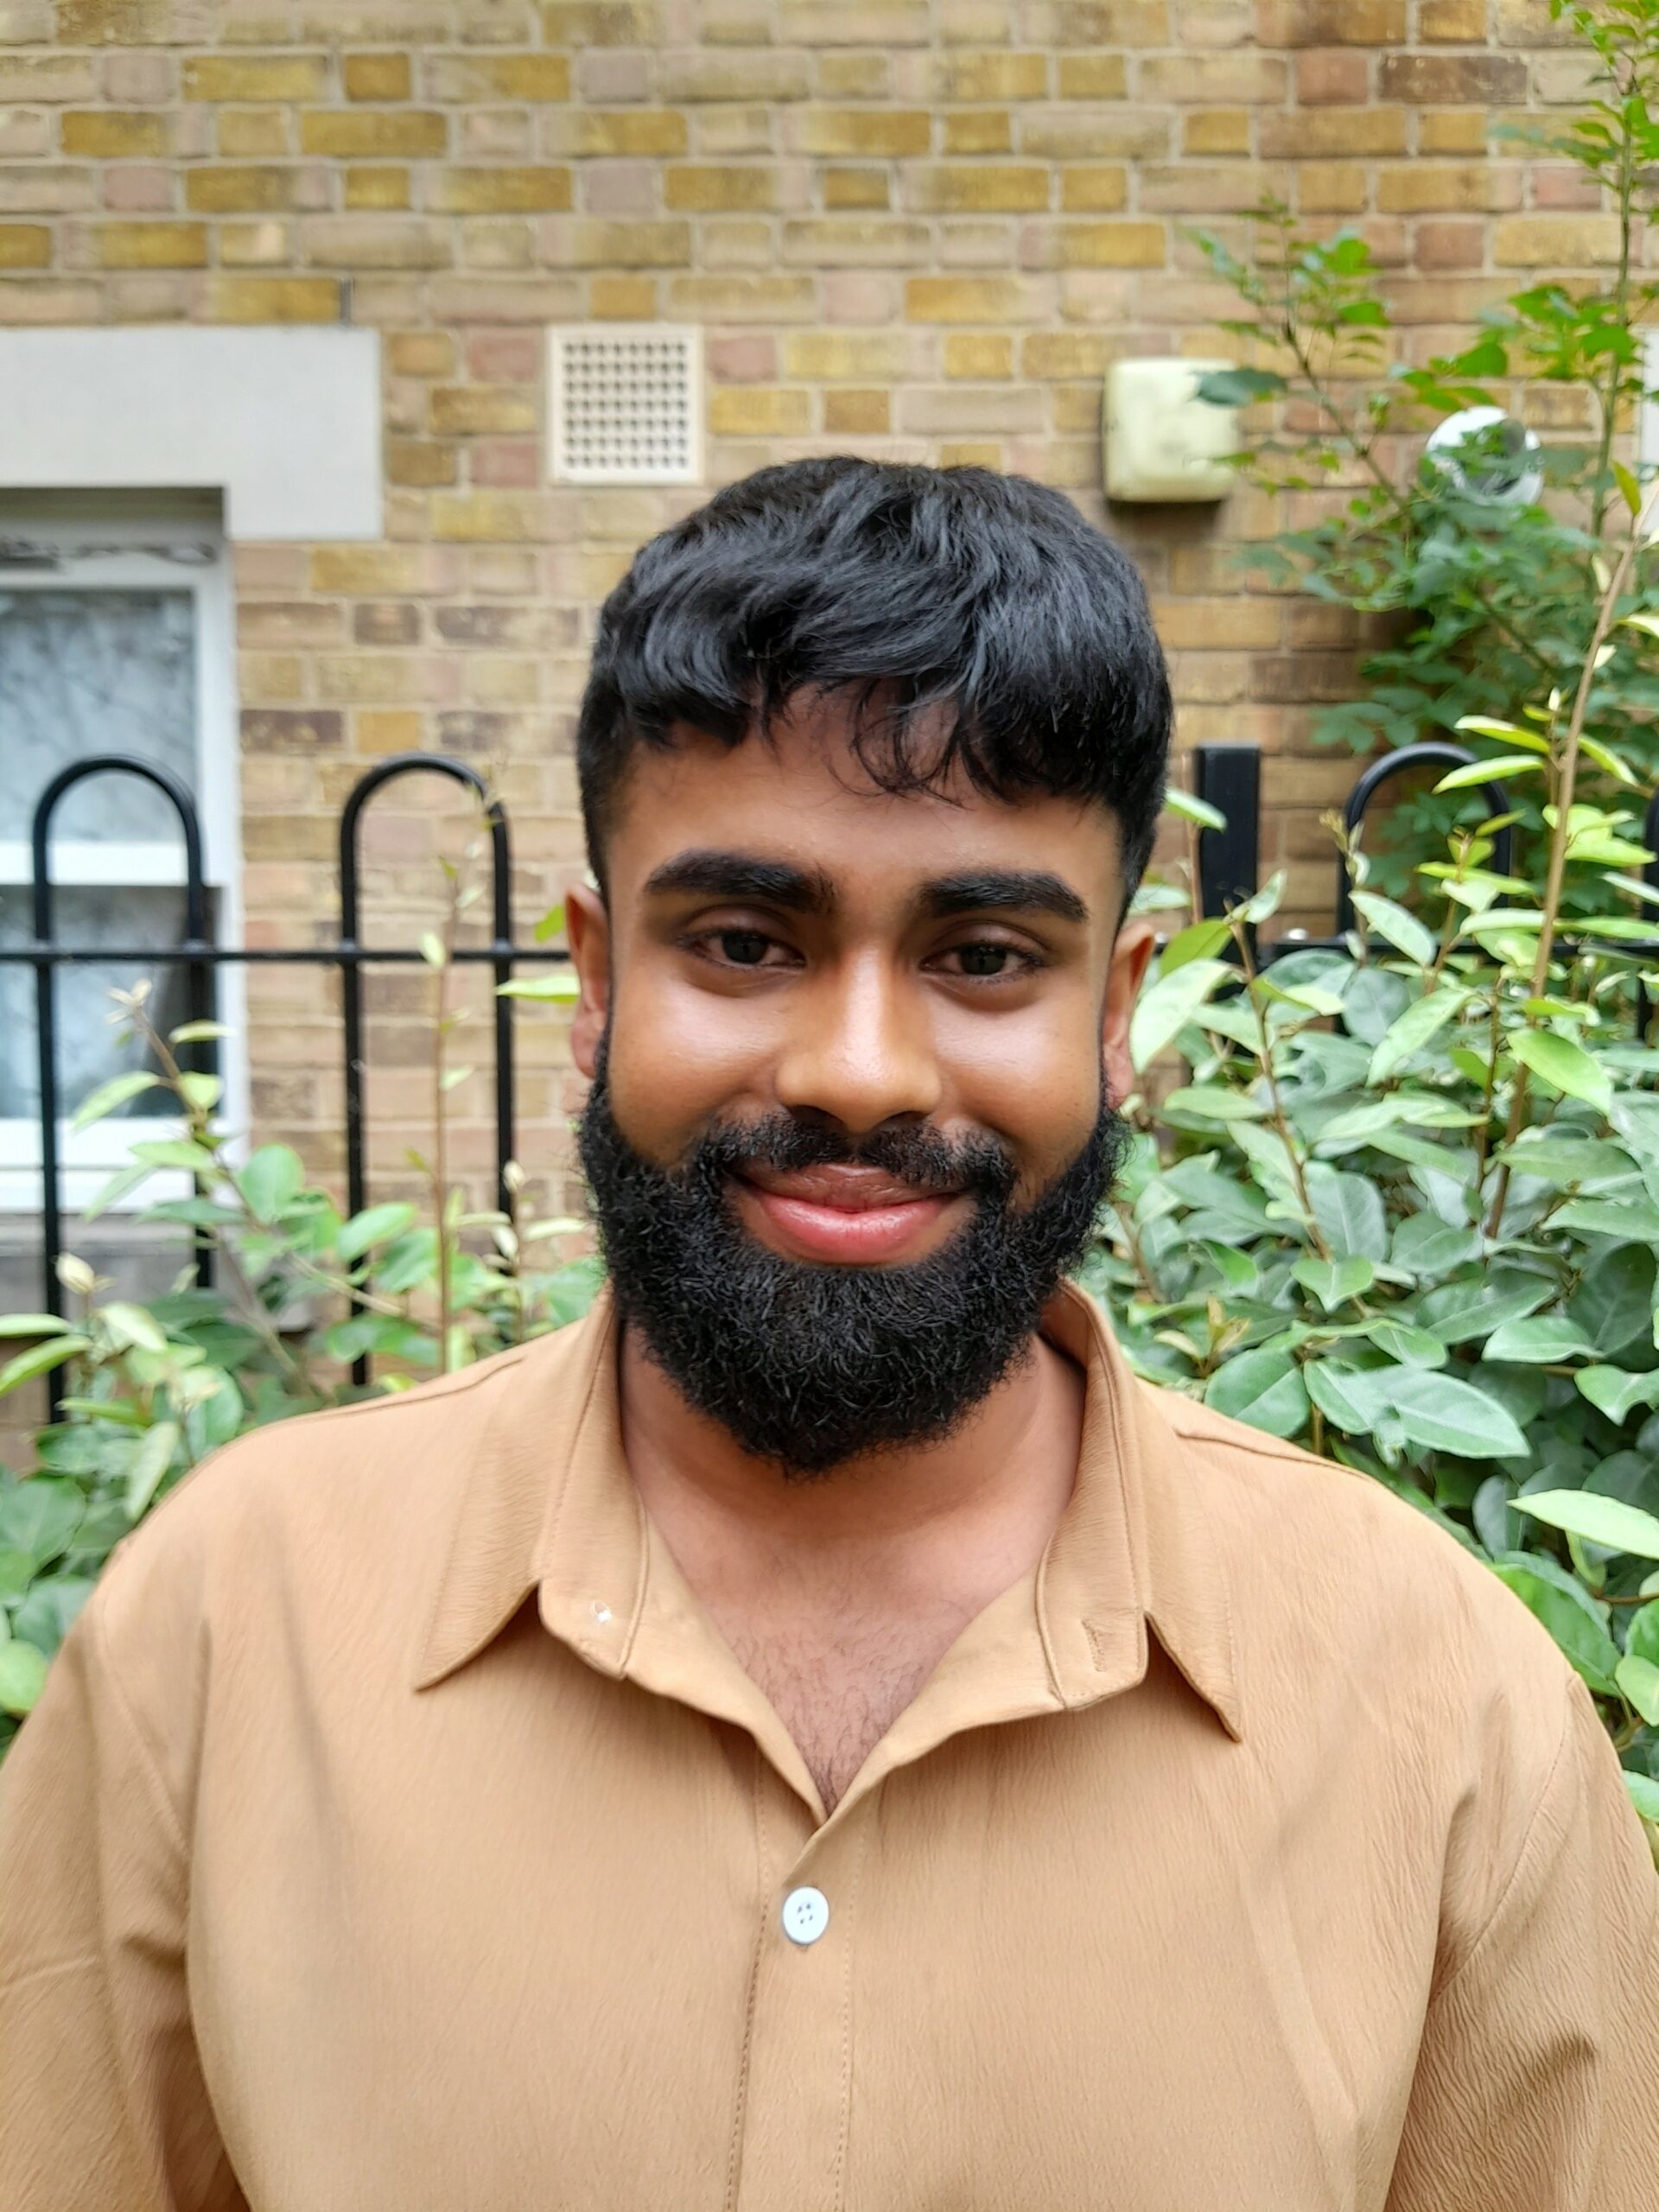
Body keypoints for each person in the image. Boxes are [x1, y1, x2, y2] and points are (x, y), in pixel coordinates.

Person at [1, 459, 1655, 2212]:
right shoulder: (226, 1634)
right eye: (742, 938)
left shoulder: (1442, 1714)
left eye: (987, 954)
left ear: (1115, 1012)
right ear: (596, 983)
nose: (859, 1067)